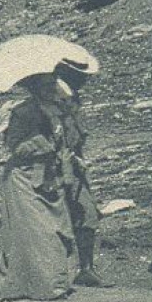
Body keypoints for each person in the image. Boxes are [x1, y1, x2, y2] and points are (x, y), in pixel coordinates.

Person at [0, 74, 76, 301]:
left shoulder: (56, 110)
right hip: (24, 178)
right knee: (36, 233)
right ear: (35, 88)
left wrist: (64, 165)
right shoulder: (22, 112)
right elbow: (14, 147)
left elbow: (63, 145)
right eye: (45, 86)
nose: (51, 89)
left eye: (52, 84)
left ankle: (56, 282)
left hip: (49, 177)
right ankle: (38, 286)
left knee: (56, 228)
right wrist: (39, 143)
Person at [54, 62, 105, 287]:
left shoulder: (71, 99)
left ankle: (86, 269)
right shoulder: (58, 98)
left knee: (87, 212)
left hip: (74, 166)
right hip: (59, 167)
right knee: (63, 217)